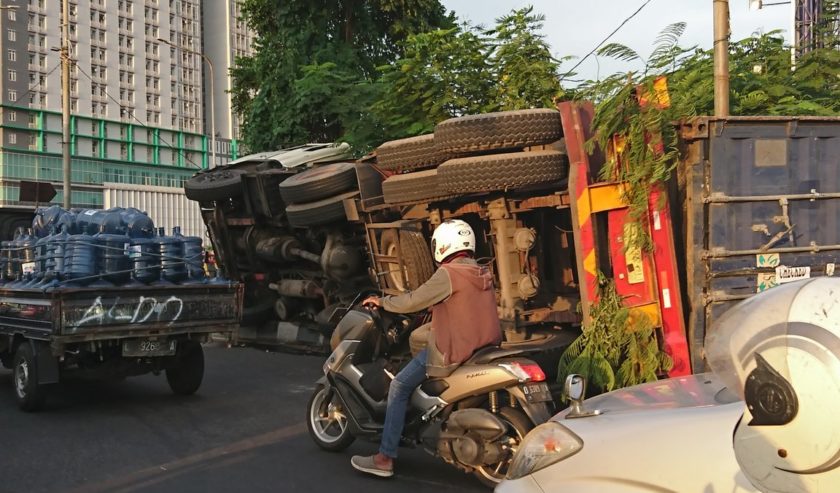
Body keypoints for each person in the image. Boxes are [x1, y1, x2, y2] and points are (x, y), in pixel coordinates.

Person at [350, 219, 502, 478]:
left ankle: (384, 457)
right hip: (483, 346)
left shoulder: (449, 273)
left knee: (399, 385)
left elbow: (414, 299)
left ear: (442, 245)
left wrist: (383, 302)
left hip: (455, 350)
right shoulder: (480, 270)